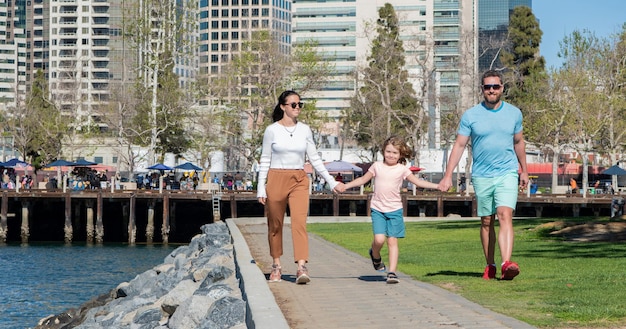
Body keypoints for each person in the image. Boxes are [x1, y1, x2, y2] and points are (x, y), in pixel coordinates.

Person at [438, 70, 528, 281]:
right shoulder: (471, 115)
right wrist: (447, 175)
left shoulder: (514, 113)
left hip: (507, 172)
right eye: (487, 87)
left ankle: (507, 264)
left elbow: (518, 142)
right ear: (482, 89)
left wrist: (524, 170)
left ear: (502, 88)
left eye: (495, 86)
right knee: (487, 220)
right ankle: (491, 264)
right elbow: (460, 144)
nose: (491, 90)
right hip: (482, 175)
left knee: (505, 215)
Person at [257, 90, 343, 284]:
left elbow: (314, 159)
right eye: (293, 105)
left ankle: (301, 267)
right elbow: (264, 159)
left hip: (299, 179)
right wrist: (261, 188)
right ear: (283, 106)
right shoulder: (272, 130)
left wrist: (331, 182)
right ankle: (276, 265)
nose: (297, 108)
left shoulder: (305, 130)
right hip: (276, 176)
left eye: (299, 105)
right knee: (275, 225)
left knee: (299, 223)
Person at [335, 136, 444, 284]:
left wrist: (438, 186)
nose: (391, 155)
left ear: (400, 155)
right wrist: (344, 186)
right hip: (378, 208)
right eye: (388, 151)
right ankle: (375, 254)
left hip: (395, 210)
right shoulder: (377, 166)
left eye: (394, 153)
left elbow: (418, 182)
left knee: (392, 241)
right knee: (379, 239)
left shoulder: (402, 169)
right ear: (383, 151)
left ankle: (392, 272)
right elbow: (362, 180)